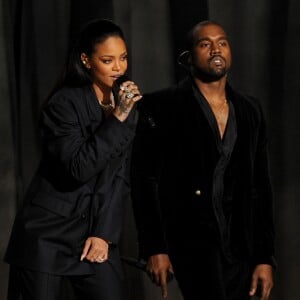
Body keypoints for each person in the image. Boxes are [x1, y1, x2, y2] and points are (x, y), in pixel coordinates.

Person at [131, 20, 275, 300]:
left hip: (240, 246)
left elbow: (260, 188)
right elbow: (144, 180)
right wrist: (154, 247)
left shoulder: (250, 109)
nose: (215, 49)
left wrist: (264, 257)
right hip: (189, 241)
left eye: (222, 42)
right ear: (188, 56)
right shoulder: (162, 106)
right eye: (205, 44)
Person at [4, 18, 142, 300]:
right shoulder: (63, 104)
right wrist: (117, 119)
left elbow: (119, 177)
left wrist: (103, 233)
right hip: (47, 233)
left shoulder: (127, 109)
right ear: (86, 60)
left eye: (123, 58)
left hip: (94, 233)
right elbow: (79, 167)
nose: (119, 68)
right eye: (108, 60)